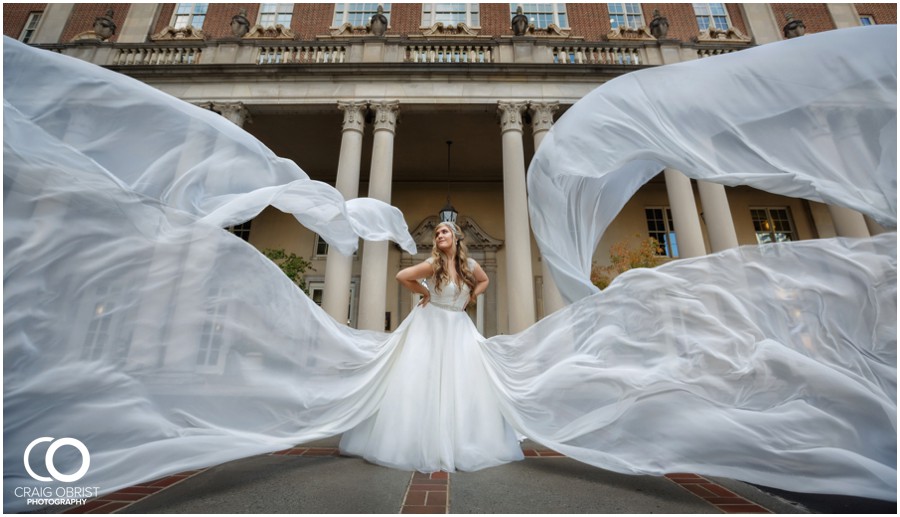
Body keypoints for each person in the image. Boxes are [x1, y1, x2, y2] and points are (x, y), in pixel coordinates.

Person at [339, 222, 524, 471]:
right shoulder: (432, 265)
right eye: (436, 233)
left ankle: (465, 440)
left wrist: (472, 296)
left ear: (457, 237)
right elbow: (402, 276)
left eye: (444, 231)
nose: (439, 235)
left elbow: (485, 280)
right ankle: (414, 440)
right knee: (422, 378)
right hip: (431, 324)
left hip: (459, 327)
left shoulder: (469, 266)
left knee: (462, 381)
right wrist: (424, 293)